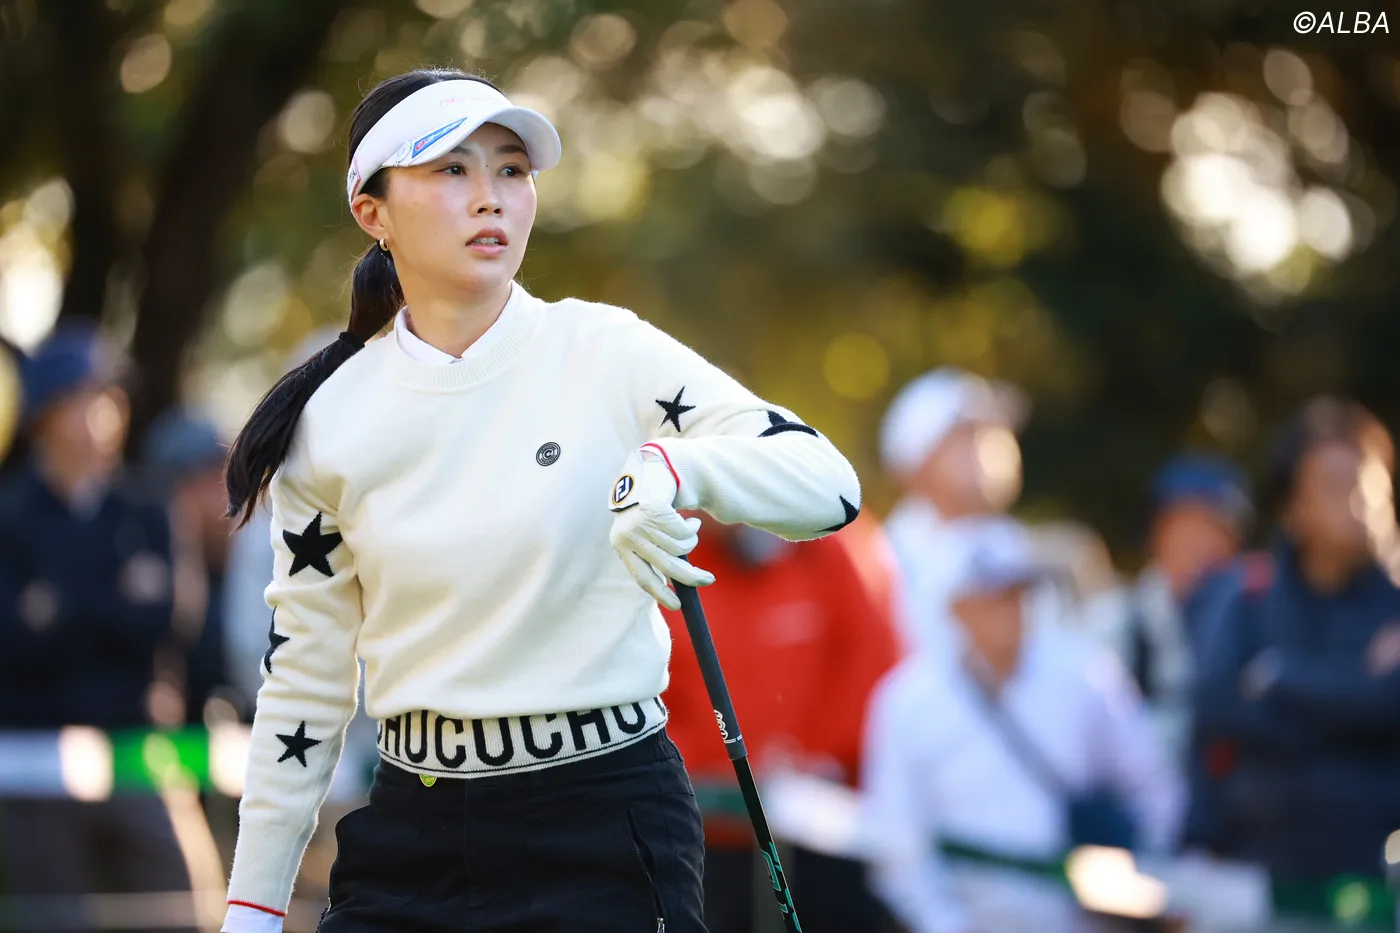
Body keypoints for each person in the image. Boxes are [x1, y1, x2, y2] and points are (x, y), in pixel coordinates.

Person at [218, 68, 861, 933]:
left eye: (512, 169)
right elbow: (304, 686)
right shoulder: (328, 419)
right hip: (411, 832)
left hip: (604, 826)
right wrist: (252, 908)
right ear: (373, 213)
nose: (491, 195)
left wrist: (675, 468)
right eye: (452, 169)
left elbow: (829, 484)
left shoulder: (607, 350)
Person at [862, 517, 1183, 933]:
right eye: (991, 596)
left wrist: (1139, 881)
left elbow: (1153, 784)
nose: (1010, 610)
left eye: (1017, 593)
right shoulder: (907, 701)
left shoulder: (1085, 673)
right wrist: (945, 923)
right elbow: (897, 838)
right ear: (954, 606)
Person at [0, 326, 201, 932]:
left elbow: (170, 620)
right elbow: (14, 641)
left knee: (182, 909)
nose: (104, 414)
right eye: (86, 397)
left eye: (111, 398)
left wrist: (59, 607)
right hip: (35, 759)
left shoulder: (147, 506)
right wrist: (114, 601)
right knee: (53, 919)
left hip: (140, 748)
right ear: (47, 414)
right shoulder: (10, 516)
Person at [660, 517, 902, 933]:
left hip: (821, 830)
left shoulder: (832, 543)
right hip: (705, 840)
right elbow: (648, 698)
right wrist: (710, 773)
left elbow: (871, 667)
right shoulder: (662, 555)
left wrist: (819, 755)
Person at [1193, 397, 1400, 880]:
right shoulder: (1247, 600)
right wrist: (1357, 691)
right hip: (1256, 868)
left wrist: (1280, 678)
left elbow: (1389, 703)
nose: (1361, 503)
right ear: (1294, 507)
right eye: (1336, 485)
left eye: (1372, 485)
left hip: (1376, 876)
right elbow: (1217, 710)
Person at [1086, 453, 1251, 761]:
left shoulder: (1255, 619)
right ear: (1156, 533)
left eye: (1217, 529)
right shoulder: (1114, 620)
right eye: (1188, 526)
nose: (1204, 545)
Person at [879, 368, 1028, 650]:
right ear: (918, 462)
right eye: (966, 435)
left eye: (989, 430)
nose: (988, 446)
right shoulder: (887, 559)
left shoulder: (1013, 542)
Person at [143, 406, 240, 726]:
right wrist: (183, 541)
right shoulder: (153, 568)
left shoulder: (266, 557)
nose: (224, 490)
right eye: (208, 477)